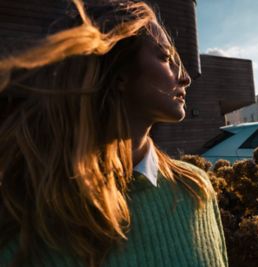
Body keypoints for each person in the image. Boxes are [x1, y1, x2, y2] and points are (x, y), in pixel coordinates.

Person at [0, 1, 228, 266]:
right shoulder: (26, 218)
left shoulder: (197, 190)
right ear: (119, 74)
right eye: (165, 58)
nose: (185, 78)